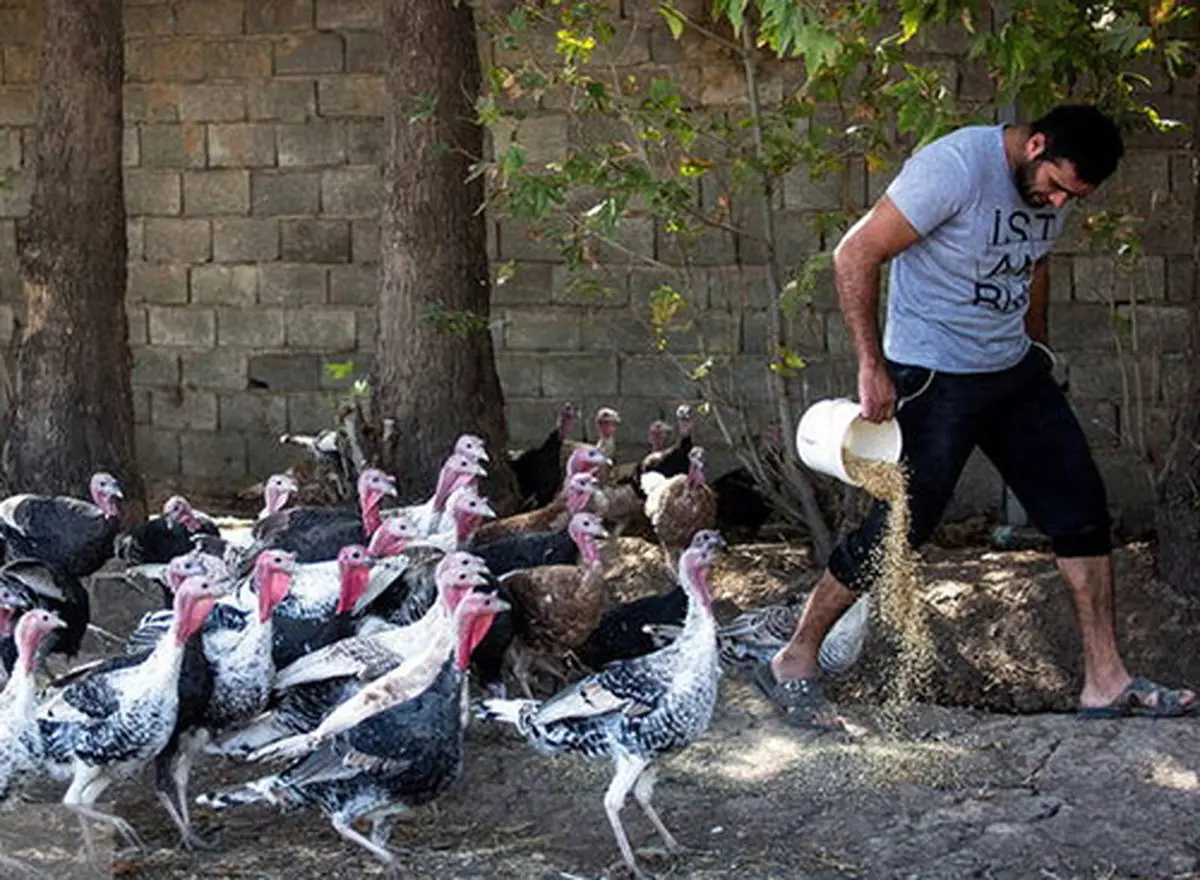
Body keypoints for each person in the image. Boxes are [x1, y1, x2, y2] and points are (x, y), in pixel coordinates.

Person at [756, 104, 1197, 727]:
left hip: (1013, 372)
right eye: (1055, 186)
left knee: (1081, 509)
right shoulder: (954, 168)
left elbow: (1035, 262)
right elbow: (855, 254)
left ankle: (1106, 681)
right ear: (1035, 145)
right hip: (933, 374)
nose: (1058, 205)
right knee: (903, 525)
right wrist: (871, 365)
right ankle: (795, 659)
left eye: (1073, 197)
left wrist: (1037, 348)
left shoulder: (1050, 195)